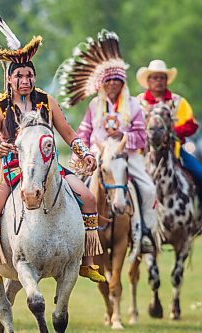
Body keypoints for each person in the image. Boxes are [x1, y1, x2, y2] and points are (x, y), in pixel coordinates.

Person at [0, 33, 106, 295]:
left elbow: (68, 133)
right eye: (19, 77)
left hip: (49, 167)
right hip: (13, 167)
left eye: (29, 76)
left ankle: (87, 262)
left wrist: (85, 152)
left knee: (89, 198)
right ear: (10, 79)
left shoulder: (46, 101)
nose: (25, 81)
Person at [60, 30, 159, 254]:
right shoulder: (95, 105)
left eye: (117, 80)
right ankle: (75, 230)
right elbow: (84, 132)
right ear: (102, 84)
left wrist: (123, 138)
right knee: (75, 185)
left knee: (149, 188)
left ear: (123, 83)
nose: (113, 84)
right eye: (109, 80)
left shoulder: (133, 105)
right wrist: (80, 154)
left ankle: (145, 232)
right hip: (97, 154)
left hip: (126, 155)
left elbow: (141, 135)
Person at [136, 59, 202, 236]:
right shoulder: (138, 102)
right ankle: (128, 222)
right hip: (142, 154)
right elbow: (132, 124)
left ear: (167, 80)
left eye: (162, 77)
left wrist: (171, 132)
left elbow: (191, 124)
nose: (158, 81)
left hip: (175, 152)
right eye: (154, 77)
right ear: (148, 80)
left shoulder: (178, 102)